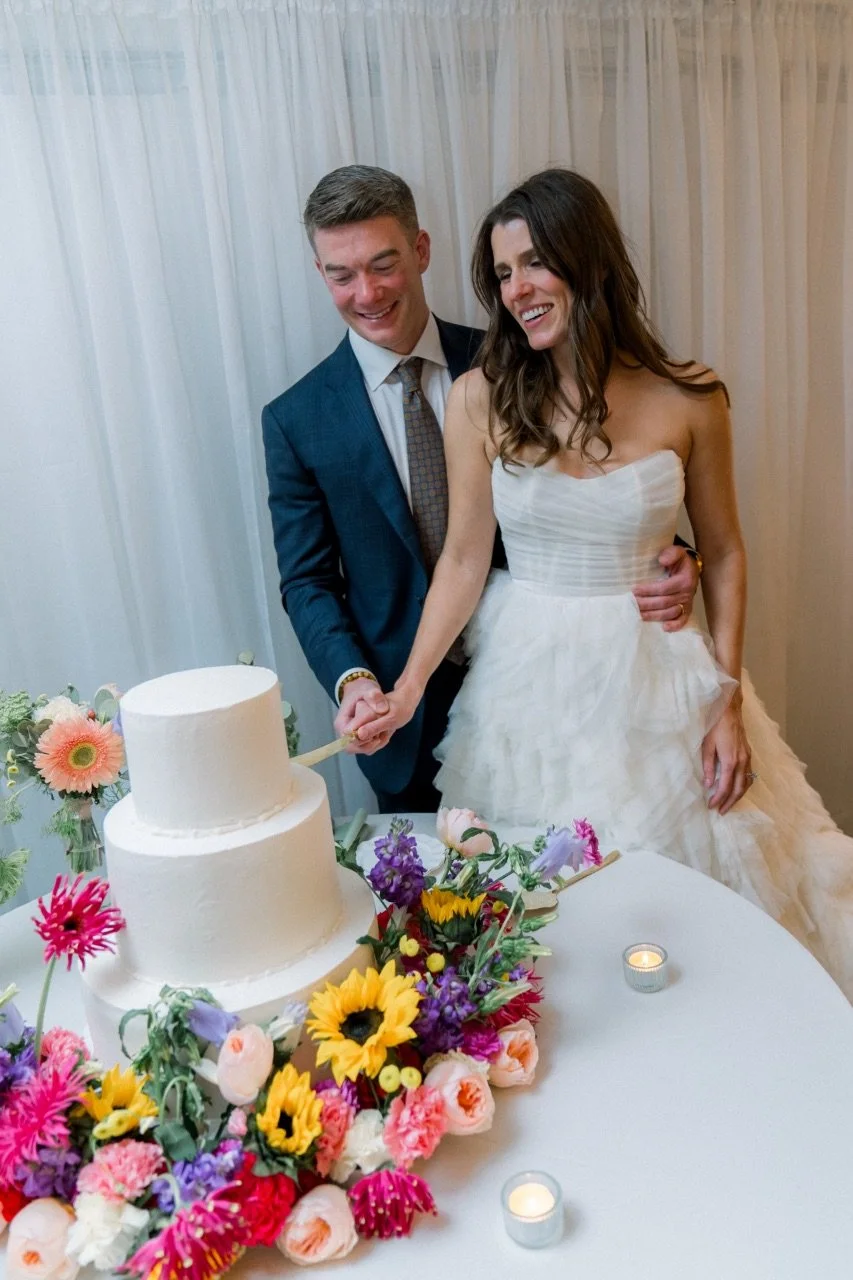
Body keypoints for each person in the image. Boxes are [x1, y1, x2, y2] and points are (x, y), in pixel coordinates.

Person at [357, 168, 853, 998]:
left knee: (698, 920)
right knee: (553, 939)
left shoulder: (690, 398)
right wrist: (405, 691)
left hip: (661, 685)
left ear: (585, 260)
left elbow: (724, 552)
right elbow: (463, 560)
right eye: (503, 273)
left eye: (533, 263)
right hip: (530, 695)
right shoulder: (480, 398)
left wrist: (723, 698)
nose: (516, 290)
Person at [262, 165, 700, 814]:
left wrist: (680, 558)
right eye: (341, 273)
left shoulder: (519, 356)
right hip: (398, 715)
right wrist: (353, 680)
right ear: (319, 271)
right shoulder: (295, 418)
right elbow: (307, 582)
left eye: (383, 264)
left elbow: (613, 477)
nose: (367, 291)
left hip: (549, 700)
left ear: (421, 250)